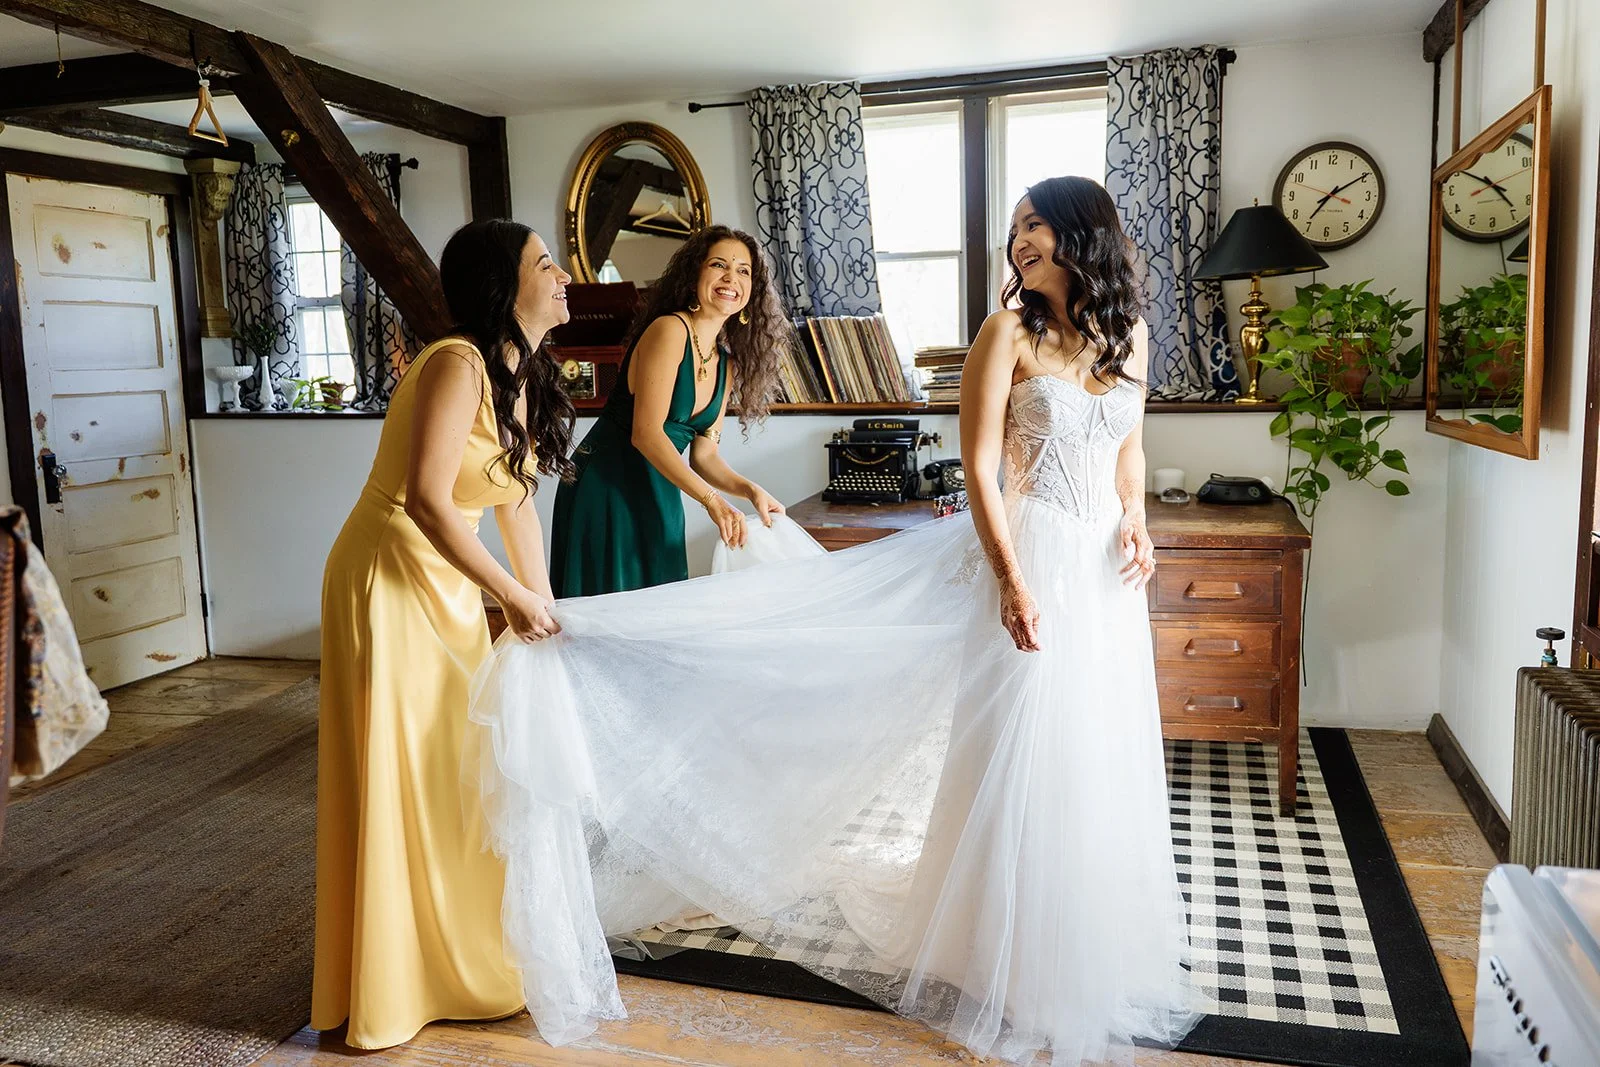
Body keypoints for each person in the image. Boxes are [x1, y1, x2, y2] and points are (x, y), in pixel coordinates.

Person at [469, 177, 1200, 1065]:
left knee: (1092, 749)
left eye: (1035, 226)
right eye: (1014, 229)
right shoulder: (1006, 333)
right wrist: (1010, 579)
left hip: (1103, 574)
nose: (1019, 242)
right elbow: (976, 466)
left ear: (1083, 234)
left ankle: (1087, 935)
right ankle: (998, 948)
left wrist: (1137, 520)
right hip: (1032, 554)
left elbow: (1131, 449)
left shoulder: (1132, 336)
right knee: (1022, 745)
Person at [314, 219, 573, 1049]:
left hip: (450, 582)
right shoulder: (457, 361)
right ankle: (395, 979)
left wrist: (544, 603)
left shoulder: (517, 373)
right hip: (387, 578)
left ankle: (456, 956)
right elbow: (428, 498)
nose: (563, 272)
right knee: (405, 769)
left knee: (456, 769)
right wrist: (507, 596)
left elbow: (516, 499)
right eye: (544, 263)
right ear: (506, 284)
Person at [549, 227, 790, 596]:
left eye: (744, 271)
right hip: (606, 487)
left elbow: (705, 456)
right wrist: (713, 501)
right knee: (608, 614)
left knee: (657, 611)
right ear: (694, 274)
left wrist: (749, 489)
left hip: (659, 490)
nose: (731, 278)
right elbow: (646, 433)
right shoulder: (669, 330)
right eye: (719, 265)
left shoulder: (727, 365)